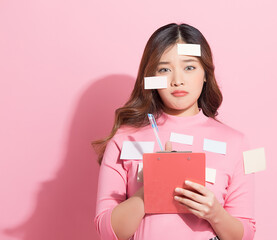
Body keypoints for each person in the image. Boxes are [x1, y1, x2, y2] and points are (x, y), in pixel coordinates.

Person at [93, 23, 256, 240]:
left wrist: (215, 214)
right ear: (151, 77)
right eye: (164, 69)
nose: (177, 80)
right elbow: (106, 231)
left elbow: (247, 234)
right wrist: (151, 188)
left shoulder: (236, 143)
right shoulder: (124, 139)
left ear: (206, 74)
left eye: (189, 67)